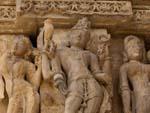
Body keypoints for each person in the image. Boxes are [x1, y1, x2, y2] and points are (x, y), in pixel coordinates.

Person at [52, 17, 111, 113]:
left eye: (83, 35)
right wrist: (59, 80)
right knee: (70, 107)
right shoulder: (60, 51)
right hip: (75, 82)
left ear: (87, 42)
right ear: (69, 36)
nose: (79, 36)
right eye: (76, 33)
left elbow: (96, 72)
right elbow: (57, 69)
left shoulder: (90, 55)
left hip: (92, 83)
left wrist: (103, 75)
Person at [0, 35, 41, 113]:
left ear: (26, 49)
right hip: (14, 92)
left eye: (20, 44)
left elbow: (35, 84)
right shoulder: (5, 58)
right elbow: (3, 68)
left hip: (26, 90)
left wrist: (40, 67)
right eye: (16, 42)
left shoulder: (27, 64)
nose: (16, 45)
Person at [120, 35, 150, 113]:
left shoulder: (147, 67)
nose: (136, 48)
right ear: (125, 53)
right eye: (131, 47)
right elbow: (124, 89)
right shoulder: (125, 67)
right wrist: (126, 108)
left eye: (138, 46)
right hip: (139, 98)